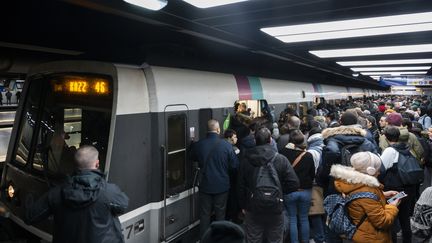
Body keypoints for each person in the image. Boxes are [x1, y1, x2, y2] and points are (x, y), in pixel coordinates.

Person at [25, 145, 129, 243]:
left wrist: (29, 198)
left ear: (75, 165)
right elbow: (123, 205)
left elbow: (30, 218)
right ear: (97, 163)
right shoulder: (109, 192)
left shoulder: (55, 194)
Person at [238, 127, 299, 243]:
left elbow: (240, 185)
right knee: (275, 239)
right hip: (275, 206)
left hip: (253, 207)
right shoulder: (281, 159)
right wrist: (280, 191)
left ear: (255, 141)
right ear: (271, 140)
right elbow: (294, 183)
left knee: (253, 238)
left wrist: (243, 205)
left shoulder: (246, 160)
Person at [330, 152, 400, 243]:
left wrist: (383, 194)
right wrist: (393, 206)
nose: (379, 172)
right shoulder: (367, 191)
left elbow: (362, 197)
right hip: (373, 238)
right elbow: (382, 222)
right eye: (377, 169)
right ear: (370, 171)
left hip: (362, 234)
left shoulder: (353, 183)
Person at [191, 119, 239, 238]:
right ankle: (219, 239)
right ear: (218, 130)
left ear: (207, 130)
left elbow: (192, 156)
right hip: (222, 186)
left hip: (205, 185)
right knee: (220, 215)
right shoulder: (226, 145)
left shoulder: (200, 144)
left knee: (204, 215)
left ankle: (204, 239)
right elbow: (234, 166)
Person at [280, 130, 315, 243]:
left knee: (292, 218)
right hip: (305, 190)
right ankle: (305, 240)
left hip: (289, 191)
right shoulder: (308, 155)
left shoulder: (283, 153)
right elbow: (312, 174)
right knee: (304, 218)